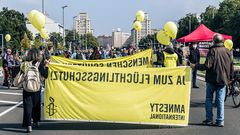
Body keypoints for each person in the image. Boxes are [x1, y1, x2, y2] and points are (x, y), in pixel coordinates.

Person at [190, 33, 233, 127]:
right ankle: (220, 121)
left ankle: (209, 119)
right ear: (222, 41)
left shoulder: (212, 51)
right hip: (223, 80)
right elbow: (231, 66)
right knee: (220, 101)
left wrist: (195, 66)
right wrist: (230, 78)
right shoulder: (227, 51)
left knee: (209, 99)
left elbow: (207, 65)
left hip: (212, 79)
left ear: (214, 41)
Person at [21, 48, 49, 133]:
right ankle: (36, 121)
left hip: (27, 88)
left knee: (27, 107)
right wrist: (46, 66)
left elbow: (21, 74)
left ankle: (28, 125)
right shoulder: (39, 64)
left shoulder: (25, 64)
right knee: (36, 105)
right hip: (37, 87)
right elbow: (45, 75)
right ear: (36, 55)